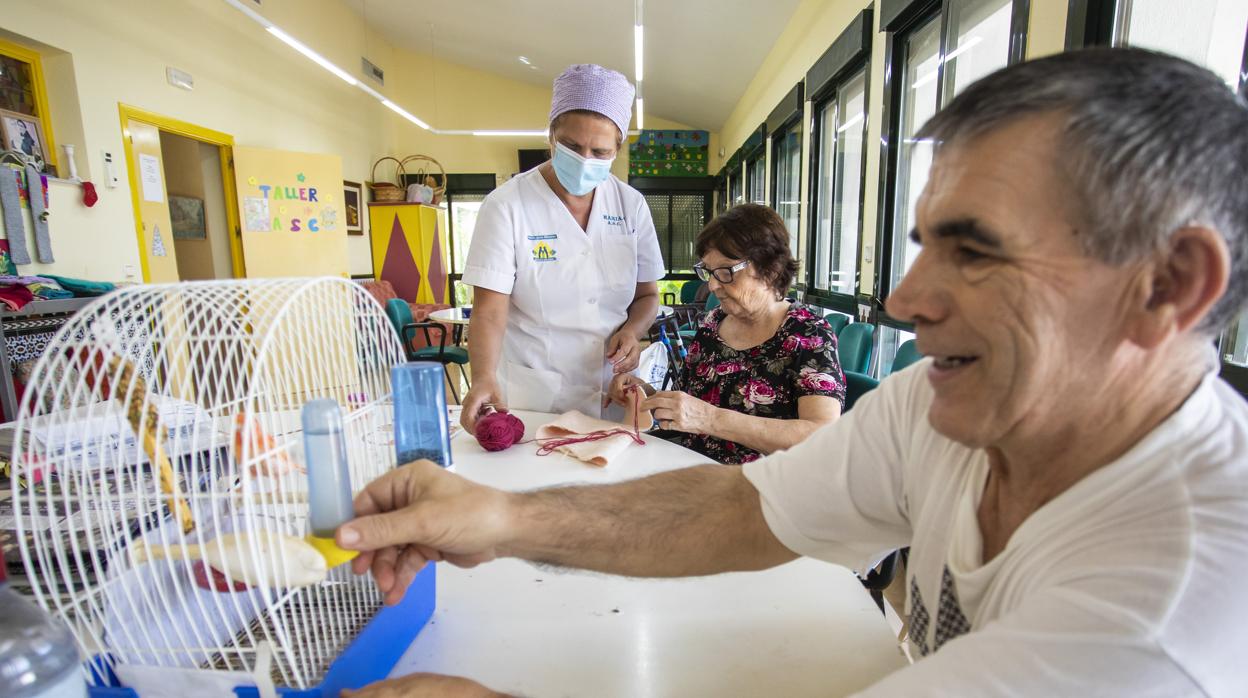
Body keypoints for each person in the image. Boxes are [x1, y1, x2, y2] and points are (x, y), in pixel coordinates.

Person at [336, 48, 1248, 696]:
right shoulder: (937, 413)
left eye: (975, 251)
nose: (904, 298)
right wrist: (499, 517)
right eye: (923, 242)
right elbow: (744, 507)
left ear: (1166, 285)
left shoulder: (1168, 618)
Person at [459, 64, 664, 432]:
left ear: (618, 148)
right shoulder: (506, 205)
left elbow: (648, 295)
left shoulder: (630, 205)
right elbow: (489, 312)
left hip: (609, 388)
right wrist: (483, 376)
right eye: (572, 146)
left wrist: (633, 330)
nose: (585, 160)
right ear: (551, 136)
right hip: (535, 391)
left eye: (600, 151)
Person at [607, 204, 844, 464]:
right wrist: (646, 394)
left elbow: (822, 435)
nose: (712, 285)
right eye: (708, 271)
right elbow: (689, 406)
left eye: (726, 272)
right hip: (692, 471)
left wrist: (711, 419)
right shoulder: (713, 324)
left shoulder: (808, 334)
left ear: (771, 269)